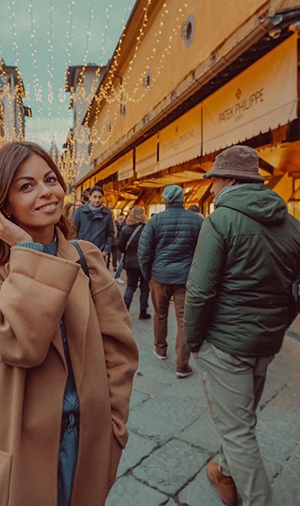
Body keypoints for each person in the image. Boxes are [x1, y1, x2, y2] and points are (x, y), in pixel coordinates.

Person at [0, 141, 138, 506]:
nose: (46, 192)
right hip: (12, 440)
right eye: (27, 186)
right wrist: (27, 251)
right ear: (3, 204)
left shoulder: (87, 257)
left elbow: (119, 348)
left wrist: (114, 426)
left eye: (50, 179)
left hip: (85, 435)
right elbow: (19, 343)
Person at [184, 145, 300, 506]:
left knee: (238, 431)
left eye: (215, 181)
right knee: (241, 417)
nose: (212, 189)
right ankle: (227, 478)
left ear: (230, 180)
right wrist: (279, 325)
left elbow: (200, 291)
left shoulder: (220, 221)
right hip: (265, 343)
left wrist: (193, 340)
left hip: (226, 344)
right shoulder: (294, 225)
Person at [138, 185, 203, 378]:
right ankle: (182, 364)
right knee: (184, 320)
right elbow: (203, 251)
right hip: (185, 278)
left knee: (159, 314)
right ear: (182, 199)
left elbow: (144, 251)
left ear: (165, 200)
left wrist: (148, 274)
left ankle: (160, 349)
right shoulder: (196, 220)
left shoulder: (155, 221)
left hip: (159, 276)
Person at [118, 206, 150, 320]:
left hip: (130, 262)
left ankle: (125, 310)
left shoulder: (125, 230)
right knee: (145, 287)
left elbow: (120, 246)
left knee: (130, 286)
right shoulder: (147, 229)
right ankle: (143, 311)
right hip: (144, 262)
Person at [72, 186, 114, 259]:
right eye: (95, 197)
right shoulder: (79, 212)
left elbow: (110, 233)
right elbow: (73, 230)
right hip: (82, 251)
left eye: (99, 197)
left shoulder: (107, 213)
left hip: (99, 252)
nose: (97, 200)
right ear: (89, 197)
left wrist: (105, 250)